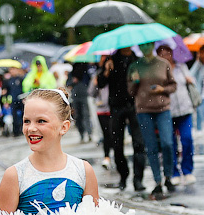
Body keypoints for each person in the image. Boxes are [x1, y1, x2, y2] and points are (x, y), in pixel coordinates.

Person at [128, 44, 177, 196]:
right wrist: (135, 81)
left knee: (167, 143)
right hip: (143, 110)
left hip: (163, 109)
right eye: (143, 46)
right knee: (151, 146)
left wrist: (163, 89)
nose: (146, 48)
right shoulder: (135, 66)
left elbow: (173, 85)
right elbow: (130, 91)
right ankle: (157, 181)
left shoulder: (164, 64)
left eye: (148, 45)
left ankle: (168, 176)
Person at [98, 47, 146, 191]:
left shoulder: (137, 60)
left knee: (138, 143)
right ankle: (123, 176)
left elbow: (145, 83)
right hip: (116, 107)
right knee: (117, 145)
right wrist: (106, 71)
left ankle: (138, 179)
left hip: (134, 106)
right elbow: (100, 84)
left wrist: (139, 78)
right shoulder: (111, 59)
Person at [156, 45, 197, 185]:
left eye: (168, 53)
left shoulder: (181, 66)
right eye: (162, 54)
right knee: (170, 143)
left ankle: (188, 170)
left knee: (187, 139)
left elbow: (193, 81)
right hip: (167, 111)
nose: (166, 56)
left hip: (185, 109)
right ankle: (174, 172)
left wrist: (190, 80)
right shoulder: (158, 70)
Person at [68, 64, 93, 143]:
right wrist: (73, 81)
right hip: (76, 97)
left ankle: (89, 133)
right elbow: (68, 83)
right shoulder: (72, 73)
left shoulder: (85, 72)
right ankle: (82, 134)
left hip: (84, 96)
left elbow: (89, 81)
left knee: (86, 115)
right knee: (78, 116)